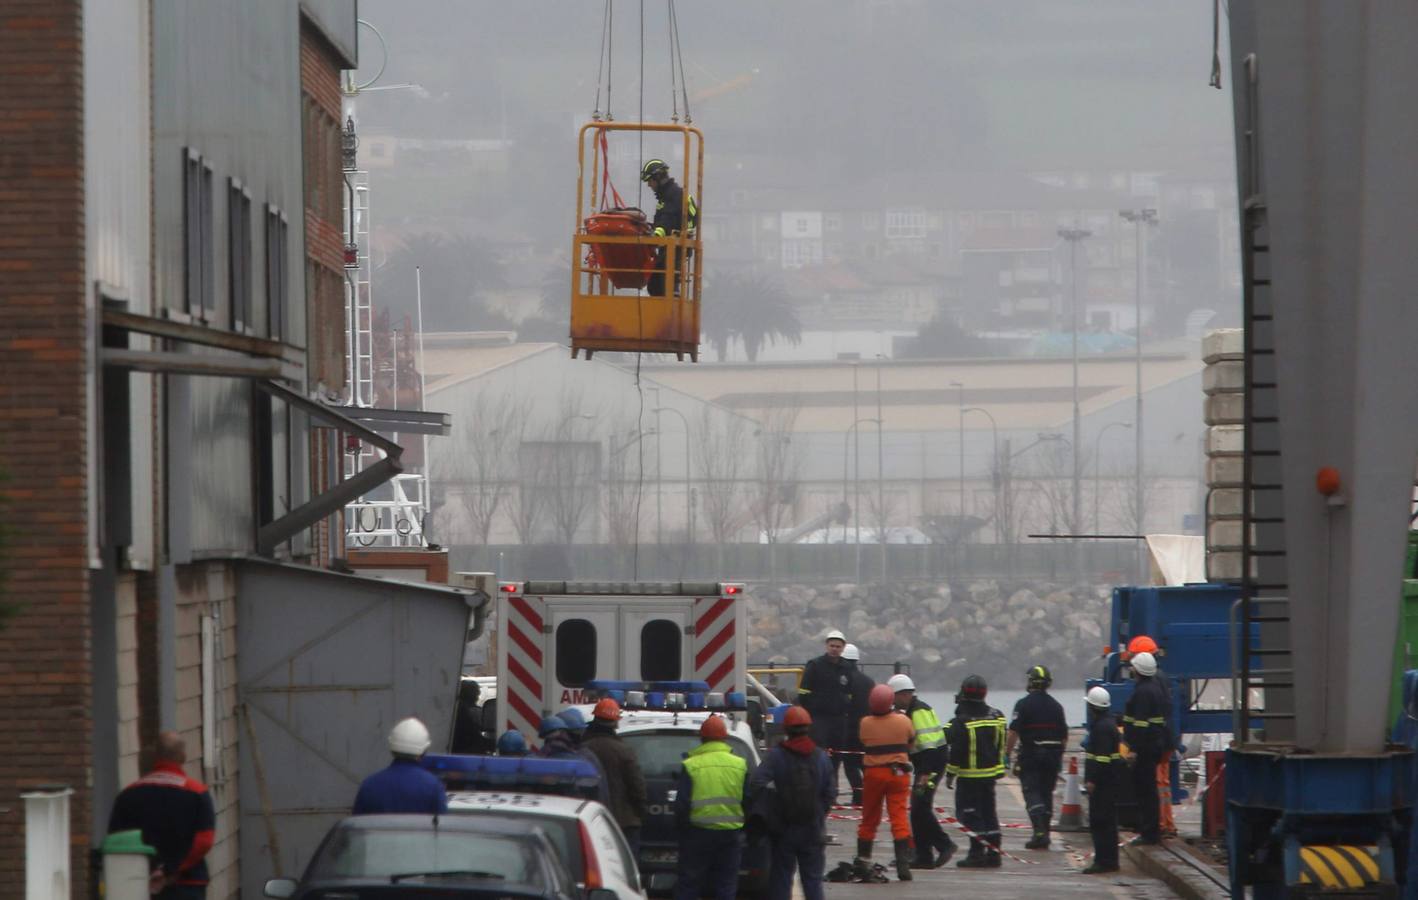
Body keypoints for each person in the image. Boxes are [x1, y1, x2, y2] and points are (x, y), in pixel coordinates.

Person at [108, 731, 216, 899]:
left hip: (140, 883)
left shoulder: (128, 795)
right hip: (187, 884)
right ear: (183, 756)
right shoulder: (197, 793)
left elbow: (116, 841)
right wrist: (172, 870)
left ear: (155, 755)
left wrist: (151, 870)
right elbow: (204, 840)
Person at [750, 707, 834, 900]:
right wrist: (818, 811)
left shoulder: (777, 756)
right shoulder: (820, 757)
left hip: (783, 830)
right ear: (808, 728)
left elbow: (757, 783)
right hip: (813, 829)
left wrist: (773, 806)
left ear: (785, 729)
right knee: (813, 882)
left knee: (781, 880)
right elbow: (830, 792)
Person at [674, 715, 750, 900]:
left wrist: (682, 831)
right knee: (725, 884)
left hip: (697, 834)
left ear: (702, 738)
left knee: (690, 883)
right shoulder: (739, 765)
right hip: (730, 835)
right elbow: (748, 800)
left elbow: (682, 805)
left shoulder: (691, 765)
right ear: (724, 737)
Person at [887, 673, 956, 869]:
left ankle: (944, 844)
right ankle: (923, 856)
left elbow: (929, 745)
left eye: (894, 697)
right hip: (926, 764)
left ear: (903, 694)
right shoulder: (910, 711)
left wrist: (924, 774)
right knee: (917, 810)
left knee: (920, 808)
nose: (892, 702)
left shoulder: (918, 712)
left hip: (932, 765)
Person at [854, 683, 915, 882]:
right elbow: (911, 741)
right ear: (891, 701)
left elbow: (864, 740)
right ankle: (903, 864)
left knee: (870, 817)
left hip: (874, 773)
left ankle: (864, 859)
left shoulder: (865, 722)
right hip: (898, 773)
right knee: (899, 817)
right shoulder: (903, 720)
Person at [945, 674, 1007, 868]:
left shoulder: (961, 721)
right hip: (990, 776)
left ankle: (976, 853)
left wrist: (950, 773)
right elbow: (1001, 745)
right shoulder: (997, 716)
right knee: (989, 814)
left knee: (970, 815)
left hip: (969, 777)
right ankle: (994, 853)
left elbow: (956, 749)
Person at [1005, 664, 1069, 849]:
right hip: (1053, 755)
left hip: (1032, 755)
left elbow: (1013, 733)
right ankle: (1045, 832)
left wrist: (1006, 754)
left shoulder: (1023, 704)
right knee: (1046, 793)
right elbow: (1064, 737)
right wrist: (1058, 757)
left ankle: (1039, 832)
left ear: (1031, 682)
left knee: (1032, 791)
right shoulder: (1057, 706)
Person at [1124, 635, 1178, 838]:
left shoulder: (1149, 686)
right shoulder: (1159, 679)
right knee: (1157, 783)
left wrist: (1134, 747)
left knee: (1156, 783)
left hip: (1155, 742)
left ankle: (1160, 825)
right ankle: (1161, 823)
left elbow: (1143, 722)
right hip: (1161, 739)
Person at [582, 697, 649, 856]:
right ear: (616, 723)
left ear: (595, 719)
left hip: (591, 821)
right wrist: (641, 811)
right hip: (624, 822)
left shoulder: (583, 749)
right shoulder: (624, 750)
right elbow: (637, 786)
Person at [352, 717, 448, 815]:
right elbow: (441, 826)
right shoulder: (433, 787)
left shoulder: (369, 785)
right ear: (424, 750)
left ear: (392, 748)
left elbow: (356, 825)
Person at [798, 629, 853, 799]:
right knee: (818, 756)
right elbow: (803, 693)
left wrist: (844, 707)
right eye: (832, 645)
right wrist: (810, 714)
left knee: (836, 758)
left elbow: (849, 692)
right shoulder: (814, 665)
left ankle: (832, 791)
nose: (834, 649)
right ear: (826, 646)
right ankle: (816, 790)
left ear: (843, 647)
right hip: (818, 719)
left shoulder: (846, 667)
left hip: (838, 720)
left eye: (838, 646)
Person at [641, 158, 698, 298]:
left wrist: (655, 234)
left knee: (664, 284)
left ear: (658, 177)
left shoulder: (674, 195)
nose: (649, 185)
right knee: (656, 284)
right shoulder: (667, 196)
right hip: (670, 246)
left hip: (676, 247)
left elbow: (667, 220)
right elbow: (664, 221)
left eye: (650, 180)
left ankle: (671, 299)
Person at [1082, 686, 1123, 874]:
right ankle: (1110, 860)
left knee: (1100, 822)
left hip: (1102, 785)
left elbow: (1101, 758)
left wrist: (1092, 780)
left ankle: (1103, 861)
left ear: (1092, 707)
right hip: (1111, 782)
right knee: (1109, 823)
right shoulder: (1109, 724)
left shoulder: (1101, 728)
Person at [841, 643, 873, 806]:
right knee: (864, 763)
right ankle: (869, 795)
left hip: (848, 728)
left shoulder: (843, 680)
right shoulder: (868, 681)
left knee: (849, 764)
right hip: (867, 728)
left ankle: (858, 796)